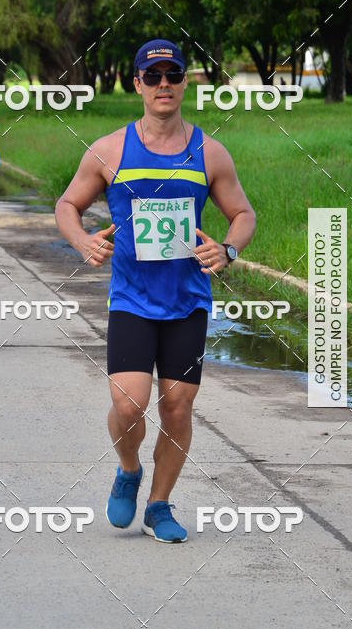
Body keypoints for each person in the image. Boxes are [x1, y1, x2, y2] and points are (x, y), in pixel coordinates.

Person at [55, 39, 256, 543]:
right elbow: (66, 205)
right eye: (153, 76)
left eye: (173, 75)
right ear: (138, 84)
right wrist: (81, 241)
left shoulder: (209, 151)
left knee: (176, 407)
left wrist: (227, 250)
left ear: (185, 82)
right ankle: (128, 468)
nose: (163, 84)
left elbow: (244, 214)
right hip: (131, 300)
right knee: (128, 406)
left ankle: (160, 505)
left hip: (187, 302)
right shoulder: (109, 150)